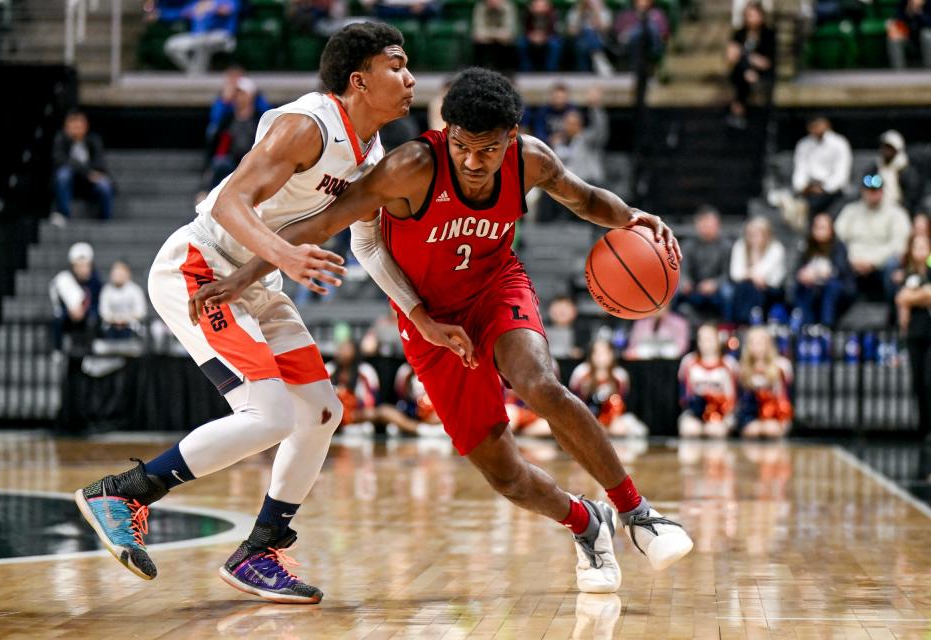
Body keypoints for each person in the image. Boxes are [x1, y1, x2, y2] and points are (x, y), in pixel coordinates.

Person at [191, 67, 694, 592]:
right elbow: (324, 222)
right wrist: (246, 273)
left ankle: (639, 515)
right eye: (462, 147)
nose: (474, 163)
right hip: (427, 316)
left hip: (496, 288)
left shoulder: (532, 159)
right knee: (505, 474)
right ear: (446, 133)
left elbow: (585, 198)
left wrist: (632, 217)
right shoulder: (409, 168)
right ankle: (587, 523)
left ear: (512, 137)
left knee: (539, 382)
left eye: (489, 150)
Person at [73, 24, 448, 604]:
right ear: (359, 79)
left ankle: (260, 549)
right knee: (268, 414)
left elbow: (369, 247)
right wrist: (284, 254)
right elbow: (227, 202)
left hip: (258, 280)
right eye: (397, 66)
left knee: (321, 411)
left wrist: (418, 314)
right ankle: (125, 493)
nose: (410, 78)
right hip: (202, 267)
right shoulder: (308, 125)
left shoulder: (372, 154)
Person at [834, 173, 911, 301]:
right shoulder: (850, 211)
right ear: (863, 191)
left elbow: (899, 244)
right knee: (836, 259)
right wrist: (852, 259)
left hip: (881, 265)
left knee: (894, 264)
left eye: (876, 190)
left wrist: (873, 262)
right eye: (869, 191)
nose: (873, 194)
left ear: (882, 191)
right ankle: (832, 316)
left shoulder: (896, 213)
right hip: (852, 262)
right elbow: (837, 238)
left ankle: (892, 311)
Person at [537, 89, 609, 222]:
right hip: (566, 186)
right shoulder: (558, 141)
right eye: (568, 123)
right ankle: (547, 227)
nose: (570, 126)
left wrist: (595, 107)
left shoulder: (587, 139)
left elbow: (600, 129)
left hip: (588, 182)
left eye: (573, 124)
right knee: (546, 191)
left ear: (580, 125)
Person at [327, 338, 420, 435]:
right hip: (333, 415)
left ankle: (420, 429)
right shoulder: (328, 370)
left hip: (356, 414)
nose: (342, 352)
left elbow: (371, 401)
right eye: (340, 348)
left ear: (354, 350)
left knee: (384, 411)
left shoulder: (365, 371)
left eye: (346, 348)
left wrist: (351, 405)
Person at [570, 338, 647, 437]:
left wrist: (610, 420)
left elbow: (621, 403)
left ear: (611, 355)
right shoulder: (581, 373)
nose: (600, 357)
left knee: (625, 427)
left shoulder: (620, 375)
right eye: (597, 353)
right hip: (585, 419)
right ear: (591, 355)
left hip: (610, 421)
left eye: (604, 353)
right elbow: (574, 401)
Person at [204, 76, 268, 194]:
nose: (238, 98)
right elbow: (214, 142)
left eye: (242, 94)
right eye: (237, 94)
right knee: (220, 164)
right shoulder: (227, 119)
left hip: (253, 161)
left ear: (251, 96)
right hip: (231, 161)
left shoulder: (259, 119)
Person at [895, 233, 931, 438]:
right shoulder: (907, 273)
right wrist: (921, 296)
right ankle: (923, 427)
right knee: (917, 381)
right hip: (914, 333)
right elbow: (901, 298)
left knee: (929, 379)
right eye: (916, 246)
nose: (920, 251)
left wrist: (912, 298)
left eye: (924, 246)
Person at [792, 212, 855, 327]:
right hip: (812, 286)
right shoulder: (807, 246)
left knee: (832, 286)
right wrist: (803, 275)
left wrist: (818, 274)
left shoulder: (838, 246)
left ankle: (827, 325)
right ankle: (806, 324)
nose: (819, 231)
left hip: (837, 288)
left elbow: (839, 270)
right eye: (817, 227)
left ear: (831, 230)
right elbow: (797, 269)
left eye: (823, 228)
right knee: (801, 287)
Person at [52, 110, 114, 225]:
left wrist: (91, 174)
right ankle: (63, 214)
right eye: (73, 126)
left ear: (86, 126)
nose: (76, 129)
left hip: (90, 184)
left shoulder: (94, 140)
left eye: (79, 125)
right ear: (66, 127)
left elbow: (99, 163)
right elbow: (62, 160)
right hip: (71, 183)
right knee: (63, 174)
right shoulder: (60, 140)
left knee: (104, 184)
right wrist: (86, 172)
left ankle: (105, 220)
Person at [673, 205, 733, 322]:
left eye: (709, 225)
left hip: (718, 286)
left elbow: (729, 274)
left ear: (717, 224)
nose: (706, 228)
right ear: (697, 225)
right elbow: (682, 270)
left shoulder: (727, 246)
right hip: (694, 286)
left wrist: (715, 284)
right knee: (673, 291)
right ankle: (674, 326)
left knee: (728, 292)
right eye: (703, 225)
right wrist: (685, 282)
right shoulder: (688, 245)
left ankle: (729, 325)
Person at [677, 324, 737, 438]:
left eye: (709, 338)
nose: (706, 343)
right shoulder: (688, 362)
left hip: (722, 412)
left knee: (715, 430)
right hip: (695, 411)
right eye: (702, 339)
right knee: (690, 429)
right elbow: (684, 395)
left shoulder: (729, 364)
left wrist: (722, 413)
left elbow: (733, 397)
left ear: (718, 340)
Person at [725, 2, 775, 129]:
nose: (749, 19)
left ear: (761, 16)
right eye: (747, 15)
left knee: (743, 64)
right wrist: (747, 60)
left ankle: (738, 109)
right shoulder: (739, 33)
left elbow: (766, 62)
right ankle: (739, 110)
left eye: (752, 15)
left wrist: (746, 55)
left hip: (762, 72)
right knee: (742, 70)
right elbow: (731, 57)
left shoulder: (768, 34)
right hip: (742, 72)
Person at [728, 216, 786, 325]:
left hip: (772, 288)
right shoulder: (740, 245)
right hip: (747, 286)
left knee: (751, 290)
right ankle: (744, 322)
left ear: (766, 235)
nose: (753, 238)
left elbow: (764, 273)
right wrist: (752, 275)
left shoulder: (776, 248)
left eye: (757, 234)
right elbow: (735, 274)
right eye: (750, 234)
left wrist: (749, 272)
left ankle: (748, 323)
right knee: (745, 288)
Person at [790, 116, 851, 218]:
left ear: (827, 125)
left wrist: (824, 188)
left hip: (833, 190)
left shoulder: (839, 143)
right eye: (813, 126)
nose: (816, 128)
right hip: (810, 190)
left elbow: (841, 175)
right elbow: (800, 171)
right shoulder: (803, 144)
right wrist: (803, 187)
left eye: (818, 124)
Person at [737, 326, 792, 438]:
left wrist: (783, 419)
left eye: (760, 343)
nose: (756, 347)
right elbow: (742, 399)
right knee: (753, 430)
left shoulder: (780, 366)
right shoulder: (742, 368)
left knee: (770, 429)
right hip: (751, 415)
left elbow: (783, 397)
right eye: (752, 343)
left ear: (768, 345)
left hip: (774, 414)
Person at [162, 0, 239, 75]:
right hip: (196, 37)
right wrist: (159, 14)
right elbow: (179, 13)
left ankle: (197, 74)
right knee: (171, 45)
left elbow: (228, 10)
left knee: (203, 41)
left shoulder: (225, 1)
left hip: (222, 36)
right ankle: (194, 72)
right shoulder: (196, 4)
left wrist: (210, 8)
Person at [49, 242, 102, 351]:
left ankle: (90, 349)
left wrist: (84, 311)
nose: (83, 269)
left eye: (86, 265)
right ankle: (58, 350)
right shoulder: (64, 281)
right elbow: (58, 306)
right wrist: (70, 312)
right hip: (69, 318)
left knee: (93, 320)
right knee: (58, 320)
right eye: (79, 265)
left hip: (88, 318)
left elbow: (97, 304)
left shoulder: (96, 283)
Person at [207, 64, 272, 144]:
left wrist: (251, 100)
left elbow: (267, 114)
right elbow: (215, 118)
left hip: (250, 128)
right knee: (213, 129)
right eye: (231, 78)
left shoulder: (254, 94)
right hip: (231, 130)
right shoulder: (224, 97)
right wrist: (224, 101)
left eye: (237, 77)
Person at [865, 130, 924, 216]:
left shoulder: (906, 170)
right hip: (876, 209)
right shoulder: (874, 168)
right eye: (884, 147)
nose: (886, 150)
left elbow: (913, 197)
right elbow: (866, 187)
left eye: (889, 148)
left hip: (901, 211)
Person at [612, 0, 670, 71]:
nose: (643, 2)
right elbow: (619, 36)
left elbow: (663, 34)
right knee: (639, 31)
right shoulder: (626, 15)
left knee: (649, 27)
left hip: (651, 45)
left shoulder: (657, 15)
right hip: (630, 45)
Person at [100, 260, 148, 339]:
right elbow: (104, 312)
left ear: (127, 274)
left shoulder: (135, 290)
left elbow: (141, 312)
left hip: (131, 326)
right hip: (111, 326)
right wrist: (116, 320)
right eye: (115, 273)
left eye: (120, 273)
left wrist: (124, 319)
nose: (118, 276)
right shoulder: (106, 290)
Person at [624, 303, 690, 359]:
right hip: (643, 363)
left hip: (670, 364)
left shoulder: (679, 322)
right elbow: (632, 346)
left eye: (660, 303)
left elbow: (682, 348)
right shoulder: (641, 323)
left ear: (668, 304)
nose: (657, 307)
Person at [567, 0, 614, 73]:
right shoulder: (576, 11)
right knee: (586, 34)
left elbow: (604, 30)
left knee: (588, 36)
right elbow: (572, 32)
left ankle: (584, 72)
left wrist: (596, 12)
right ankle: (598, 56)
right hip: (579, 40)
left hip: (600, 39)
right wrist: (580, 14)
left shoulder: (603, 10)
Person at [472, 0, 519, 71]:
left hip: (501, 40)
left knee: (508, 41)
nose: (493, 1)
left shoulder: (508, 6)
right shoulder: (480, 7)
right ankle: (479, 71)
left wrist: (490, 34)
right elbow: (478, 31)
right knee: (479, 41)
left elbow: (509, 31)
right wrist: (497, 34)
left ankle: (507, 72)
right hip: (487, 40)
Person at [517, 0, 563, 71]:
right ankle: (526, 70)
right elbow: (524, 30)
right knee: (521, 43)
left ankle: (551, 71)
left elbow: (555, 31)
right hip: (531, 37)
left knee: (555, 44)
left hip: (548, 37)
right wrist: (531, 36)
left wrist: (544, 37)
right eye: (537, 5)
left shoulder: (553, 14)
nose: (539, 7)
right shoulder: (527, 14)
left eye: (542, 5)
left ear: (547, 6)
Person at [886, 0, 931, 70]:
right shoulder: (903, 3)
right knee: (894, 37)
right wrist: (909, 10)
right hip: (907, 35)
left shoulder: (929, 3)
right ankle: (899, 71)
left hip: (923, 36)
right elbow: (896, 18)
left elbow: (928, 23)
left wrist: (919, 11)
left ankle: (929, 68)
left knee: (927, 35)